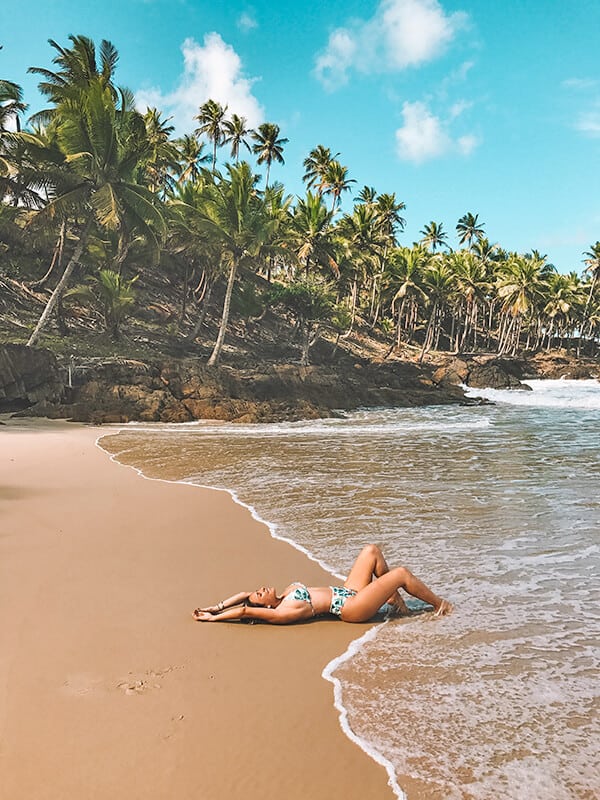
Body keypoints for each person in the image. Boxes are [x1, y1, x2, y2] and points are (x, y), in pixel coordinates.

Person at [193, 543, 453, 624]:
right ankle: (442, 606)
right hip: (352, 609)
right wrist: (212, 619)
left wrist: (215, 606)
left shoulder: (285, 595)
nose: (259, 589)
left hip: (350, 592)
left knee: (371, 550)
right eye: (260, 594)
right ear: (267, 608)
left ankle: (395, 600)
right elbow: (245, 609)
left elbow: (243, 596)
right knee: (401, 573)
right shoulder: (283, 611)